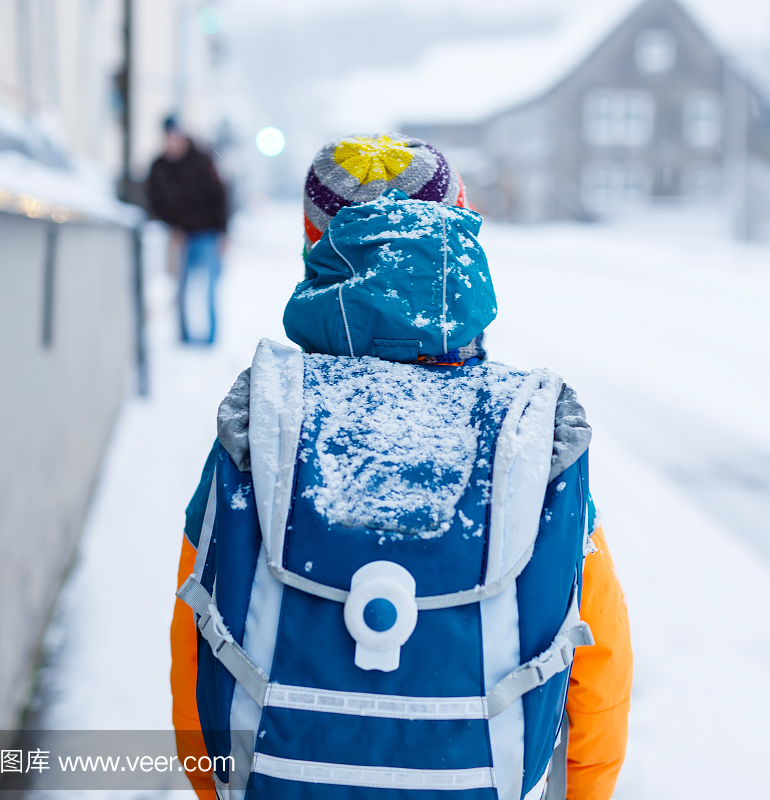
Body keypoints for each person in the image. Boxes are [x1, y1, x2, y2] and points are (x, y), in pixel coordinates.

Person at [170, 134, 632, 799]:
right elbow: (599, 661)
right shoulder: (525, 434)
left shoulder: (267, 417)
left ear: (317, 249)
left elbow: (199, 634)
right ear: (458, 237)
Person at [146, 116, 229, 344]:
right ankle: (184, 337)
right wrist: (171, 227)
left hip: (209, 234)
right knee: (180, 289)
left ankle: (211, 339)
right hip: (180, 236)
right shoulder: (159, 167)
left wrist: (223, 232)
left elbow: (220, 196)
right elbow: (154, 203)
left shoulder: (202, 160)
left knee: (210, 289)